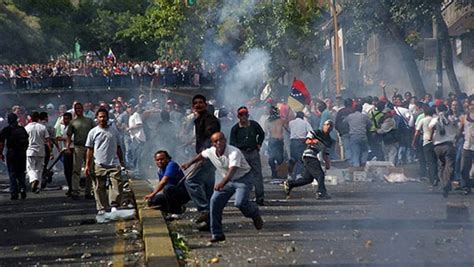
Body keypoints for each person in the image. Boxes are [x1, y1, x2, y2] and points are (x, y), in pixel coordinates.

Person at [181, 132, 263, 243]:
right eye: (216, 141)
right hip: (227, 181)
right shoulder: (210, 151)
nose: (219, 143)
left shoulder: (234, 152)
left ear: (225, 140)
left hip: (243, 179)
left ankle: (254, 213)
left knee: (239, 203)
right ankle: (217, 233)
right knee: (214, 202)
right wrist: (189, 163)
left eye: (221, 140)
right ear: (213, 143)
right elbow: (202, 155)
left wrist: (221, 183)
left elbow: (232, 171)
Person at [185, 94, 220, 229]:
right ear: (193, 107)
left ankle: (204, 210)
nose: (198, 105)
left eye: (201, 102)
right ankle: (211, 222)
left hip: (208, 156)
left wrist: (202, 156)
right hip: (207, 156)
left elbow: (210, 138)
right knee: (207, 188)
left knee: (191, 181)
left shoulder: (209, 120)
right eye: (196, 103)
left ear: (205, 105)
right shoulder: (198, 120)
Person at [85, 108, 125, 218]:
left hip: (114, 163)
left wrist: (122, 162)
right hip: (99, 163)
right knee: (99, 187)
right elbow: (90, 149)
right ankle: (102, 208)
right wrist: (87, 165)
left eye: (104, 116)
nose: (103, 119)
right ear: (97, 118)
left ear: (108, 118)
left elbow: (118, 147)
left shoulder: (114, 130)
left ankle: (114, 206)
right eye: (100, 117)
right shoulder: (93, 132)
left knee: (116, 185)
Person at [284, 120, 334, 200]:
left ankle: (290, 184)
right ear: (323, 125)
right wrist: (314, 141)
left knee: (308, 179)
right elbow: (307, 140)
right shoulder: (316, 132)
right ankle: (321, 193)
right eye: (327, 125)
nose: (328, 127)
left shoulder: (329, 140)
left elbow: (325, 153)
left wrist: (327, 163)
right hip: (309, 155)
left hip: (313, 156)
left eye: (330, 126)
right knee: (320, 174)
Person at [229, 106, 265, 205]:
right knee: (242, 176)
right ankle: (242, 197)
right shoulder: (235, 129)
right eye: (241, 115)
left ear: (248, 115)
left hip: (253, 152)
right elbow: (232, 143)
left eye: (245, 115)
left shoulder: (254, 125)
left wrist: (259, 144)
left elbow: (261, 134)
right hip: (241, 154)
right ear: (238, 116)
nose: (243, 117)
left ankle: (260, 198)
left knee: (257, 175)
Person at [66, 102, 95, 199]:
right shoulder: (73, 122)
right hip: (78, 147)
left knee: (90, 170)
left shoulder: (89, 121)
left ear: (82, 109)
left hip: (89, 148)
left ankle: (88, 191)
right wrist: (67, 147)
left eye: (79, 108)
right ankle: (75, 191)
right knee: (76, 169)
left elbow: (95, 133)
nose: (78, 110)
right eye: (76, 108)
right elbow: (69, 136)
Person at [429, 104, 458, 197]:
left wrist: (430, 137)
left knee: (441, 165)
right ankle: (447, 183)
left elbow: (431, 128)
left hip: (437, 146)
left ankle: (443, 184)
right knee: (449, 166)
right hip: (449, 145)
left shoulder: (435, 119)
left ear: (437, 110)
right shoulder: (451, 118)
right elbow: (457, 129)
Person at [0, 113, 29, 200]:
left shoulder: (6, 130)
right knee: (21, 172)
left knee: (12, 173)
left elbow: (1, 143)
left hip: (11, 153)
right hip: (21, 153)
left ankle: (14, 192)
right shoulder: (21, 129)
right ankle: (23, 188)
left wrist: (0, 153)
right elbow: (27, 140)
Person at [24, 112, 50, 193]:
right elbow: (47, 139)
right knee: (39, 169)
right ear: (38, 118)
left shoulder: (26, 128)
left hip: (30, 150)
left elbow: (24, 140)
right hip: (41, 151)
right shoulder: (42, 127)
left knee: (30, 168)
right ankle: (37, 188)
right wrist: (51, 151)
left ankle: (34, 179)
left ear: (30, 118)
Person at [288, 111, 313, 179]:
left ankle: (289, 175)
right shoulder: (305, 123)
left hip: (292, 141)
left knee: (293, 158)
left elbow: (289, 130)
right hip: (301, 141)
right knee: (300, 159)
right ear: (302, 117)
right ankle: (298, 175)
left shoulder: (291, 123)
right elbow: (311, 132)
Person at [56, 112, 74, 196]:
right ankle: (71, 187)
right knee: (67, 171)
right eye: (64, 119)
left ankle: (73, 188)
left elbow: (72, 139)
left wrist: (62, 138)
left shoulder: (73, 127)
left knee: (72, 170)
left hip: (72, 150)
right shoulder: (64, 128)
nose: (65, 120)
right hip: (65, 150)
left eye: (67, 119)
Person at [265, 106, 285, 179]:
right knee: (278, 158)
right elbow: (287, 129)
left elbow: (266, 132)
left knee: (272, 158)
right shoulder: (281, 121)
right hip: (279, 140)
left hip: (272, 140)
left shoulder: (267, 121)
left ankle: (275, 173)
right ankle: (277, 173)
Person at [459, 96, 474, 194]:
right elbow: (460, 130)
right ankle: (465, 186)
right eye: (471, 105)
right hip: (467, 146)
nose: (473, 107)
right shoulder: (464, 117)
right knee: (464, 168)